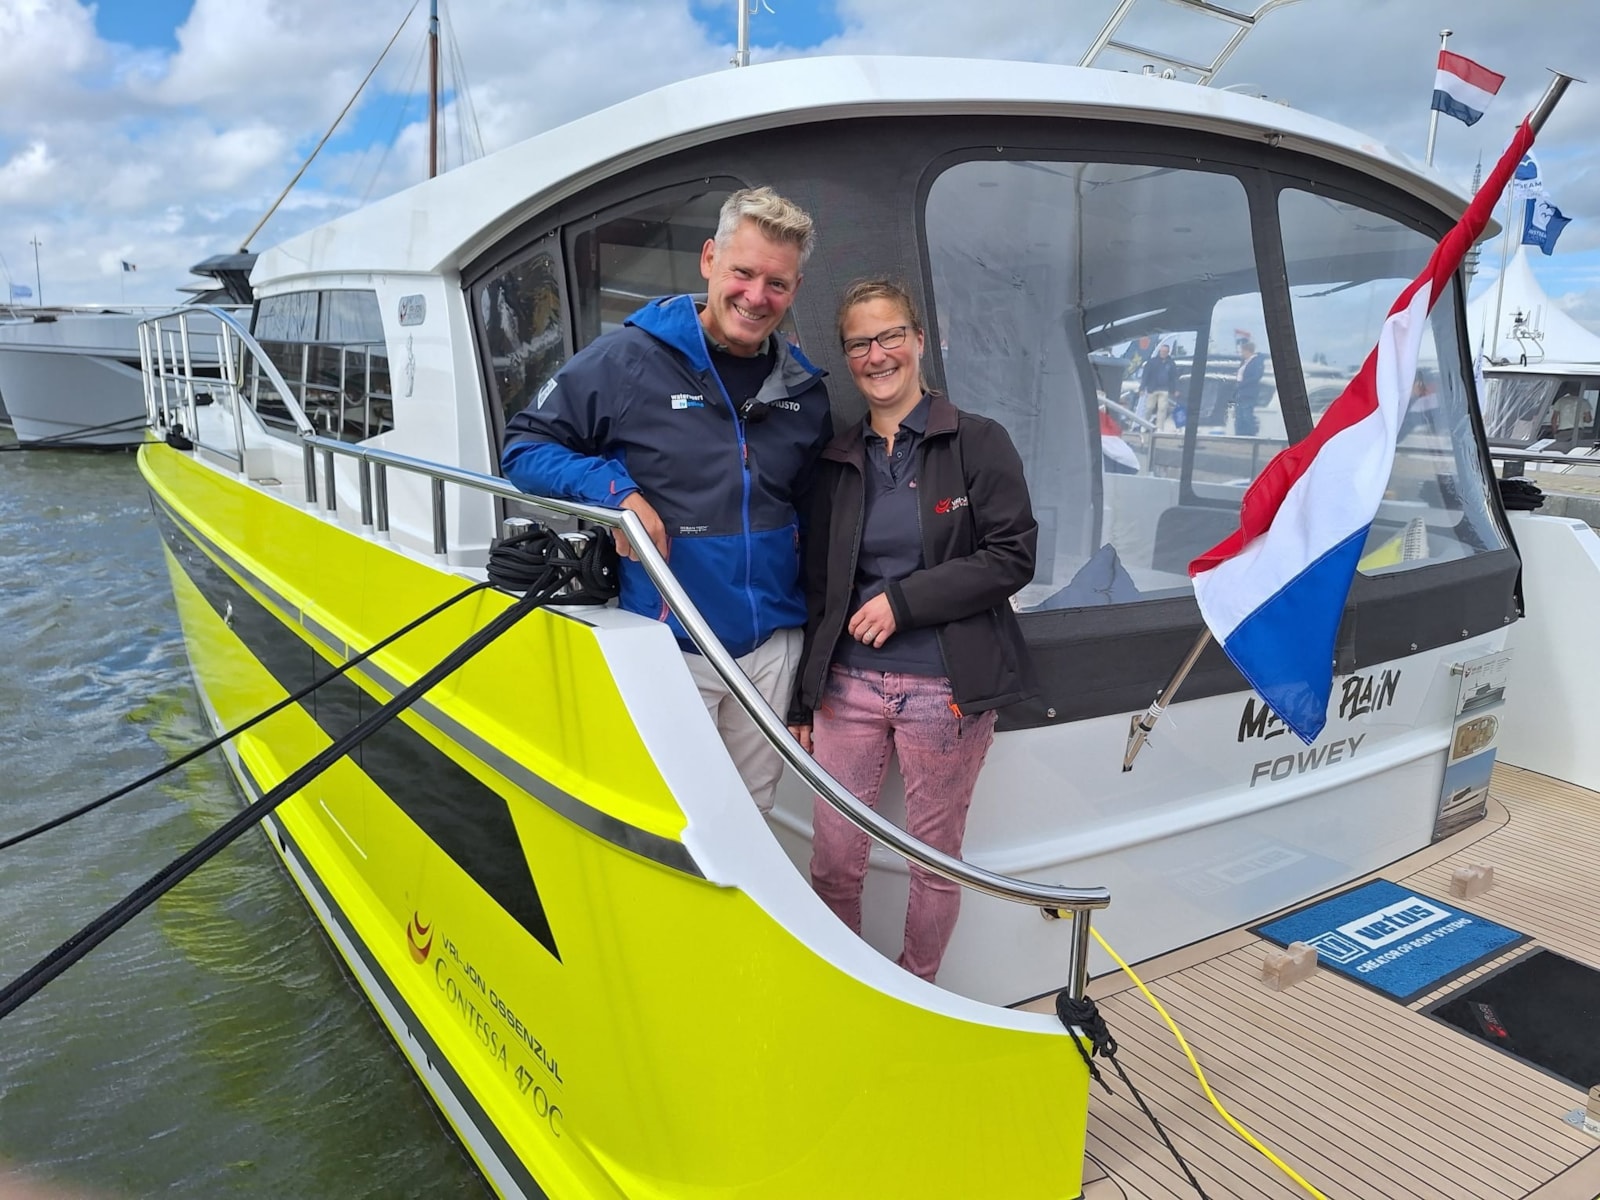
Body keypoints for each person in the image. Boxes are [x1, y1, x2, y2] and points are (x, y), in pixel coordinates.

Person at [500, 187, 833, 813]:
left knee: (755, 815)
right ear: (709, 259)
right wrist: (617, 493)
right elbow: (524, 447)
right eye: (742, 273)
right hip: (673, 641)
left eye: (777, 284)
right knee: (679, 823)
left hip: (772, 650)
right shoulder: (629, 358)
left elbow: (815, 516)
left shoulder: (804, 389)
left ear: (796, 288)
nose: (756, 296)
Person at [788, 279, 1037, 982]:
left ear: (920, 340)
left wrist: (903, 602)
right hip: (847, 688)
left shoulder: (978, 442)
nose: (878, 355)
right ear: (847, 357)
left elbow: (1012, 556)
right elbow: (820, 589)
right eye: (860, 343)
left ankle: (915, 991)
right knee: (834, 861)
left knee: (934, 863)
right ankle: (844, 991)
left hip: (945, 690)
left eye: (890, 335)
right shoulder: (837, 460)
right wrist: (804, 699)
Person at [1139, 341, 1179, 431]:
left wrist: (1175, 389)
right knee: (1149, 408)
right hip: (1152, 388)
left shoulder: (1171, 363)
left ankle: (1159, 428)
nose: (1163, 353)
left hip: (1164, 389)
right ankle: (1144, 425)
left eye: (1165, 351)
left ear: (1168, 352)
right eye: (1162, 351)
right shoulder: (1152, 362)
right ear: (1159, 351)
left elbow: (1173, 377)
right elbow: (1145, 375)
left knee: (1162, 409)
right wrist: (1142, 388)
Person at [1232, 340, 1265, 436]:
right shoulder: (1244, 362)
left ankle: (1249, 435)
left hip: (1248, 393)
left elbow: (1256, 376)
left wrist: (1242, 384)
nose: (1241, 353)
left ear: (1247, 351)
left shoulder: (1256, 362)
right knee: (1239, 416)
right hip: (1240, 392)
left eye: (1242, 351)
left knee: (1246, 415)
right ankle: (1239, 435)